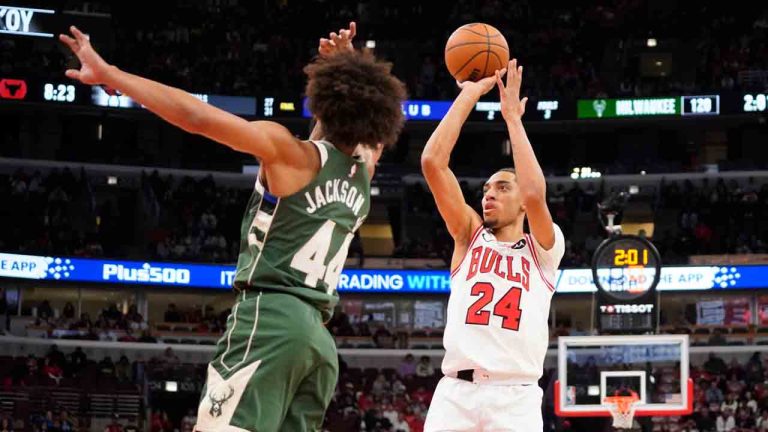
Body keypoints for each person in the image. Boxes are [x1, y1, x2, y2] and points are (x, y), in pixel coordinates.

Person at [59, 21, 405, 431]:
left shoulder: (289, 154)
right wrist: (349, 64)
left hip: (270, 318)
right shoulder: (363, 174)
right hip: (318, 340)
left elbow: (196, 116)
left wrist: (111, 75)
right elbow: (350, 134)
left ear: (323, 101)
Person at [421, 60, 565, 431]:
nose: (489, 195)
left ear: (521, 204)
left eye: (502, 188)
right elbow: (433, 163)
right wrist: (469, 94)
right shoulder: (469, 236)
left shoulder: (544, 250)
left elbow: (535, 193)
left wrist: (512, 119)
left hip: (515, 397)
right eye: (485, 189)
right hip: (456, 393)